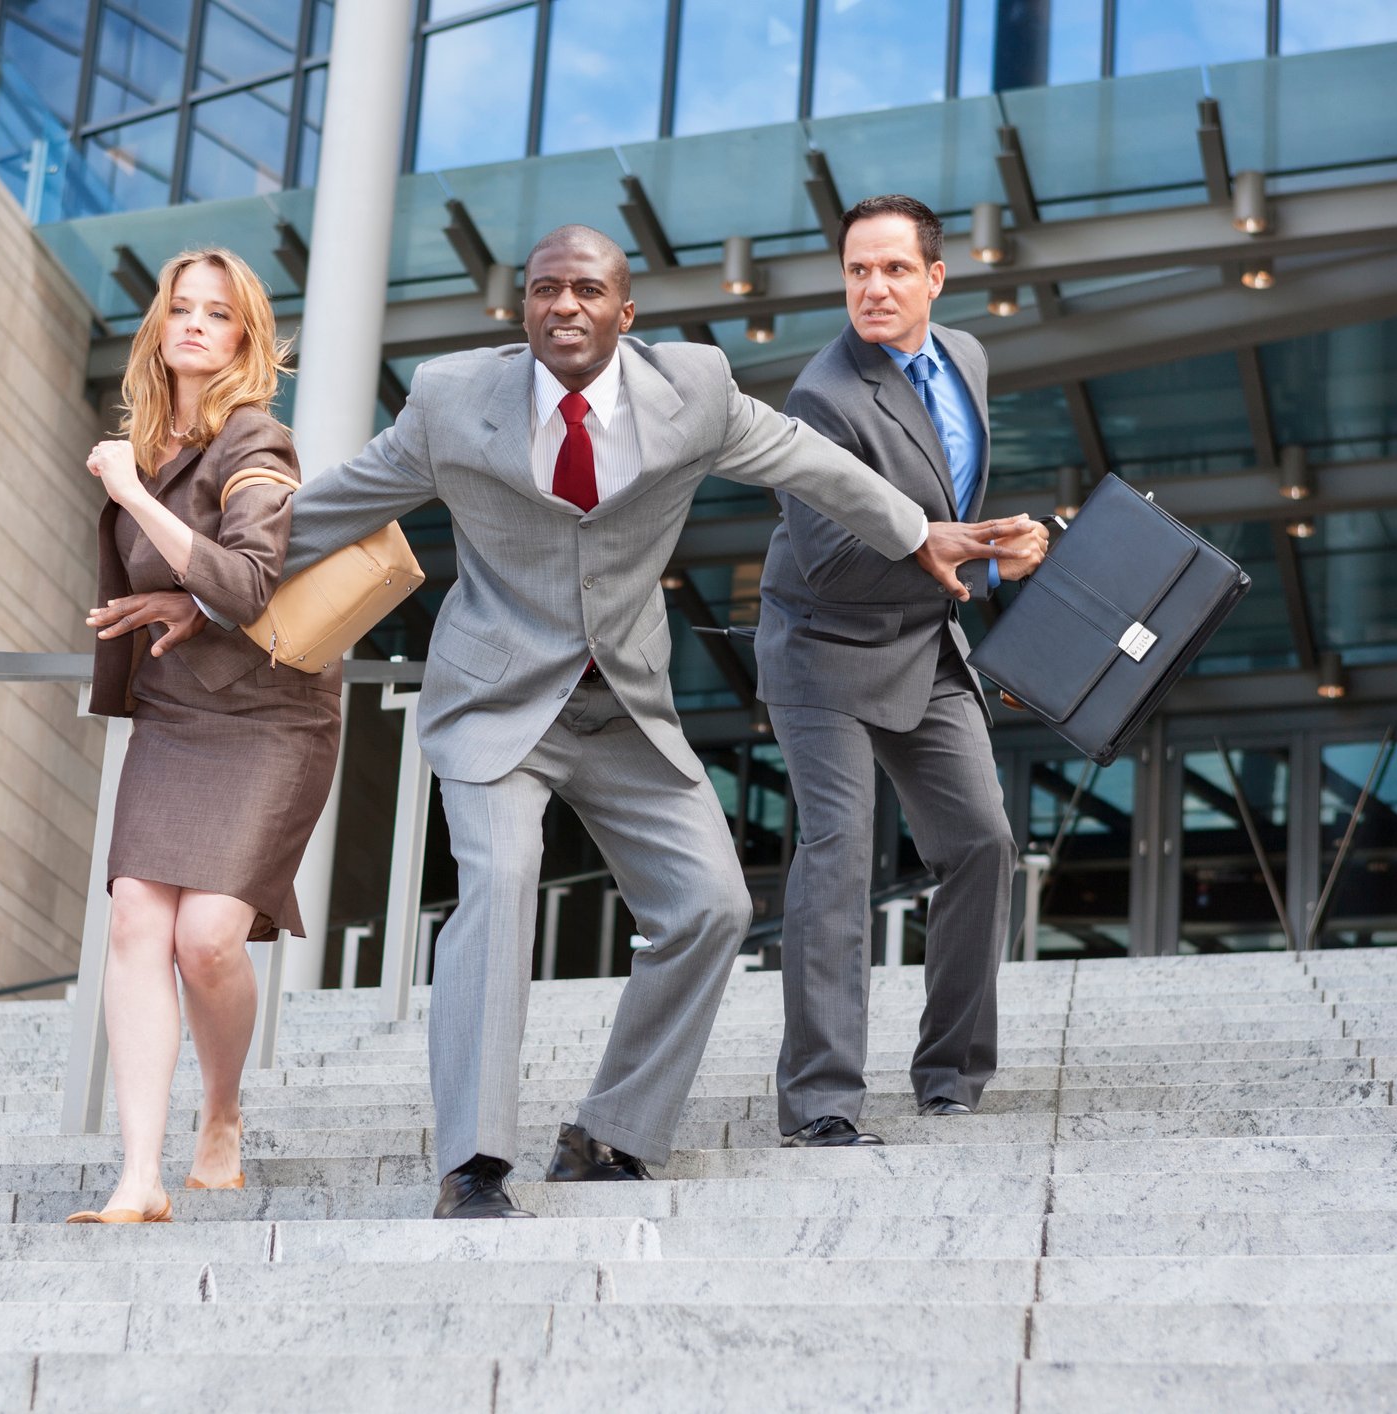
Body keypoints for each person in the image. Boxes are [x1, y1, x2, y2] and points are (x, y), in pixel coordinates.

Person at [249, 224, 1022, 1219]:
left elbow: (809, 464)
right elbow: (323, 511)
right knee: (504, 880)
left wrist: (918, 534)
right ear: (522, 308)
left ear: (626, 311)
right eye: (543, 292)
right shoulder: (451, 401)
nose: (563, 307)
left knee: (712, 905)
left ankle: (610, 1128)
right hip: (495, 704)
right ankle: (474, 1162)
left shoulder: (690, 391)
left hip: (621, 703)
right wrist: (195, 584)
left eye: (586, 291)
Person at [755, 195, 1049, 1146]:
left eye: (890, 269)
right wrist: (958, 551)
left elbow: (939, 499)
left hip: (922, 642)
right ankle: (820, 1102)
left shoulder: (965, 357)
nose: (871, 289)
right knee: (837, 859)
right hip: (822, 647)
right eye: (854, 272)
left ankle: (951, 1072)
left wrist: (996, 547)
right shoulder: (821, 397)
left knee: (980, 844)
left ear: (934, 277)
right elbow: (832, 556)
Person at [65, 247, 341, 1224]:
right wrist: (175, 596)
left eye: (216, 314)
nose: (193, 324)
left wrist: (133, 497)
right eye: (179, 308)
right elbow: (198, 582)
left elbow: (252, 583)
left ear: (243, 336)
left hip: (271, 714)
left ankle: (219, 1111)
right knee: (139, 917)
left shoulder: (257, 442)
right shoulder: (149, 440)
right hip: (179, 706)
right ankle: (139, 1175)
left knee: (210, 940)